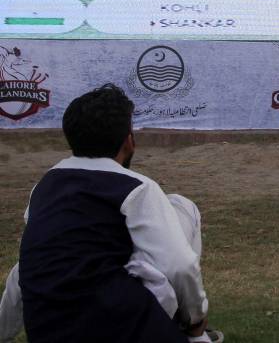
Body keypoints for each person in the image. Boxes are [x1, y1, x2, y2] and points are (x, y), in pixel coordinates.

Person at [3, 84, 215, 343]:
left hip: (48, 331)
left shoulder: (43, 188)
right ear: (129, 141)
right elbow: (179, 264)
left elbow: (26, 267)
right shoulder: (137, 188)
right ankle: (195, 335)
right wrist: (195, 318)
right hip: (123, 326)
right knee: (182, 208)